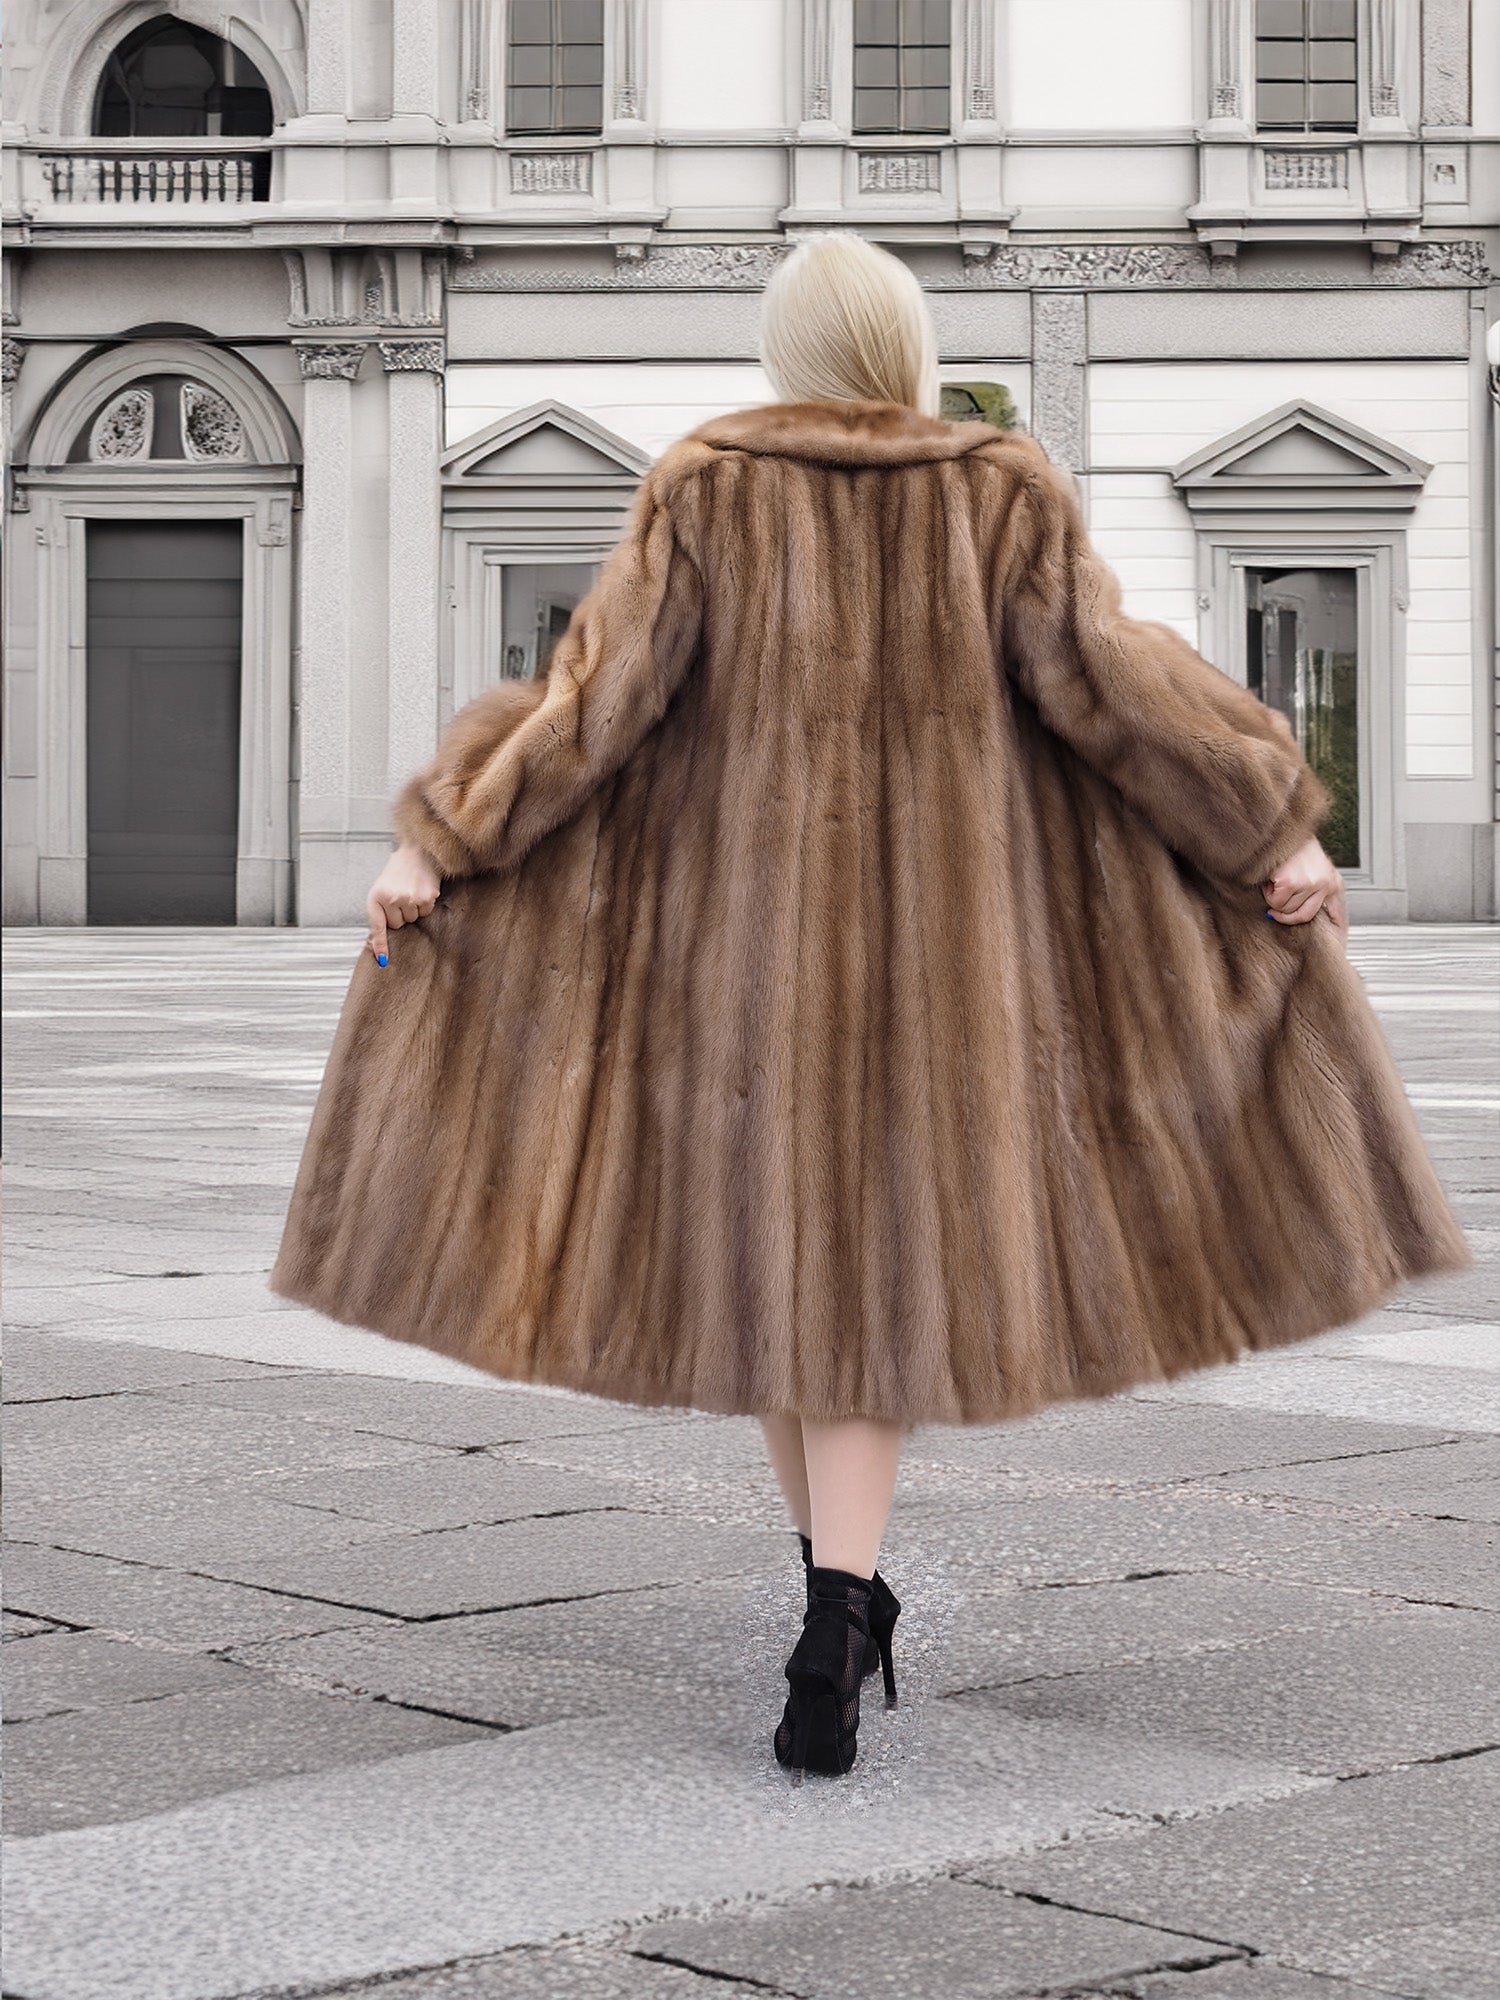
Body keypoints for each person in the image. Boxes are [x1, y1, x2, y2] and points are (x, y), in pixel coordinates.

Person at [270, 232, 1471, 1784]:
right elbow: (1110, 682)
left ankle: (835, 1613)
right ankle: (840, 1612)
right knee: (845, 1297)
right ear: (906, 344)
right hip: (939, 993)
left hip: (742, 976)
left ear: (788, 350)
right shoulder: (998, 489)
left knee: (797, 1291)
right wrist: (1267, 826)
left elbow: (594, 708)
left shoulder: (707, 486)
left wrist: (448, 840)